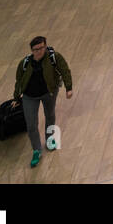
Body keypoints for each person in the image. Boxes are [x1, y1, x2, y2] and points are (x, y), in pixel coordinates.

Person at [13, 36, 72, 169]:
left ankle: (50, 139)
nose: (39, 51)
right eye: (36, 49)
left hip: (48, 93)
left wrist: (69, 88)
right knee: (31, 124)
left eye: (41, 48)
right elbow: (19, 80)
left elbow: (65, 70)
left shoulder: (54, 57)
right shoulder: (25, 63)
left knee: (50, 115)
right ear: (32, 50)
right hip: (29, 96)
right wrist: (16, 97)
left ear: (45, 46)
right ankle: (36, 150)